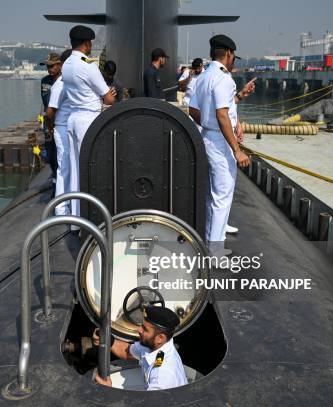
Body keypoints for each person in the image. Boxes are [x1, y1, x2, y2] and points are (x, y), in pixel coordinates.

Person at [188, 34, 255, 256]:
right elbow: (222, 114)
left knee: (213, 196)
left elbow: (195, 112)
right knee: (222, 196)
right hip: (220, 141)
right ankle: (215, 253)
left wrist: (211, 125)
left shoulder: (204, 77)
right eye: (234, 56)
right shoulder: (224, 79)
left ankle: (211, 242)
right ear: (229, 53)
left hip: (207, 137)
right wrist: (237, 150)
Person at [62, 25, 117, 220]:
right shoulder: (88, 67)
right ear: (87, 43)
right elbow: (109, 99)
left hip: (72, 118)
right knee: (92, 167)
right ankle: (91, 216)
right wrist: (108, 94)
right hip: (88, 119)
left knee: (76, 169)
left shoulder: (66, 65)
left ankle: (77, 219)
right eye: (90, 43)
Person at [93, 306, 187, 390]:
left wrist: (108, 392)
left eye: (145, 329)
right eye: (141, 325)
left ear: (160, 338)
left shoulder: (163, 376)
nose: (139, 330)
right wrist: (109, 341)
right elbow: (128, 352)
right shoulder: (155, 346)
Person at [45, 49, 73, 215]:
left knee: (71, 167)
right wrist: (50, 128)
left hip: (69, 128)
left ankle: (69, 202)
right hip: (61, 128)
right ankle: (61, 208)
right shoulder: (60, 84)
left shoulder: (70, 81)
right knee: (64, 168)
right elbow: (50, 112)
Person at [39, 53, 61, 179]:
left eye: (52, 66)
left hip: (61, 122)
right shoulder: (45, 81)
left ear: (60, 65)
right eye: (47, 67)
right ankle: (54, 176)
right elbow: (47, 102)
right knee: (51, 152)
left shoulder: (65, 80)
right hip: (49, 123)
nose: (49, 69)